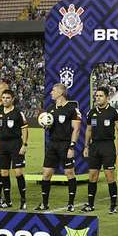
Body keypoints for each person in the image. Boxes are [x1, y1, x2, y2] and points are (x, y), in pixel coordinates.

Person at [37, 83, 81, 212]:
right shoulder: (50, 109)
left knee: (69, 173)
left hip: (66, 145)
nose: (51, 93)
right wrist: (46, 126)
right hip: (52, 144)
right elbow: (50, 126)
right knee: (46, 174)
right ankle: (44, 204)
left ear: (61, 93)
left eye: (53, 91)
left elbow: (76, 129)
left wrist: (72, 147)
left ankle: (71, 204)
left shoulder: (72, 109)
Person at [82, 86, 118, 213]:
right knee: (92, 176)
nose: (98, 98)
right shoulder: (91, 112)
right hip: (94, 147)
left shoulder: (113, 112)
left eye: (101, 96)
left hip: (108, 146)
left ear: (107, 98)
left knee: (109, 176)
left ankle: (113, 205)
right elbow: (88, 130)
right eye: (97, 96)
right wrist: (86, 146)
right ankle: (90, 204)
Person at [0, 89, 29, 209]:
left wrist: (24, 145)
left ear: (12, 99)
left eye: (8, 98)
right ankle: (7, 201)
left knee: (18, 172)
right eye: (3, 98)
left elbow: (24, 129)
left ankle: (23, 200)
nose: (5, 100)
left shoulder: (18, 113)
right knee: (4, 172)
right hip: (2, 145)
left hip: (15, 144)